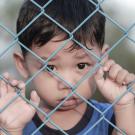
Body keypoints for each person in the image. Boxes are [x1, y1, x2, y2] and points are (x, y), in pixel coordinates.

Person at [0, 0, 135, 135]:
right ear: (23, 65)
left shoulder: (113, 117)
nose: (68, 83)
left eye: (81, 65)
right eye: (50, 67)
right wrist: (11, 129)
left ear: (102, 58)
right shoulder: (17, 121)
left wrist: (124, 106)